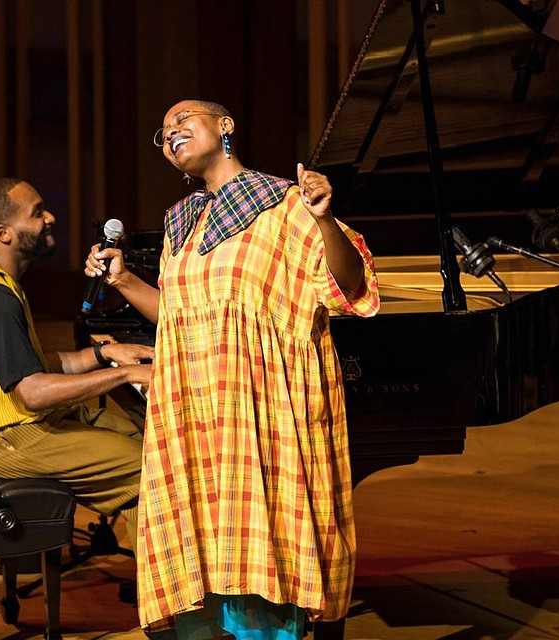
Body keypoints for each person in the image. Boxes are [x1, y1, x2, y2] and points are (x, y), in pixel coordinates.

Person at [85, 100, 379, 640]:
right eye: (163, 132)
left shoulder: (285, 204)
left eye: (183, 120)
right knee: (201, 546)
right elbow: (177, 315)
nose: (171, 133)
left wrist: (324, 219)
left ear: (225, 126)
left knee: (263, 545)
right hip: (196, 415)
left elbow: (348, 286)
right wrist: (124, 281)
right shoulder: (180, 223)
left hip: (261, 410)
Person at [0, 177, 154, 545]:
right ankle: (170, 578)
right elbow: (33, 393)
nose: (50, 218)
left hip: (5, 425)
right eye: (36, 213)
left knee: (145, 438)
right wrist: (125, 374)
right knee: (149, 467)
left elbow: (25, 366)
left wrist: (103, 354)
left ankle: (157, 571)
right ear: (4, 234)